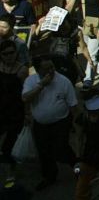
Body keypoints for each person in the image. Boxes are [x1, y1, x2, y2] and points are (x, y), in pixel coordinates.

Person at [21, 57, 77, 190]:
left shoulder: (63, 81)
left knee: (62, 148)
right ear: (38, 70)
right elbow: (25, 98)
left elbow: (73, 104)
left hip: (60, 122)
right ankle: (49, 176)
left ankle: (78, 169)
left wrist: (74, 124)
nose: (51, 71)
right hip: (41, 124)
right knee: (44, 151)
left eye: (52, 67)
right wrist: (41, 86)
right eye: (47, 69)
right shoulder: (31, 81)